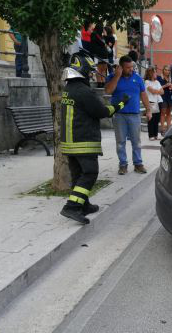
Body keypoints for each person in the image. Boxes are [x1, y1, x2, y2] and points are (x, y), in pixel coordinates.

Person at [59, 50, 129, 224]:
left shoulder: (69, 89)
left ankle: (84, 204)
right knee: (90, 172)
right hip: (83, 141)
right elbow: (102, 112)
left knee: (78, 174)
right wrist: (121, 104)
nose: (91, 74)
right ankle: (72, 207)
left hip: (69, 142)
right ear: (82, 69)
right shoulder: (83, 91)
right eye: (89, 71)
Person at [105, 55, 152, 175]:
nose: (131, 69)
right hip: (119, 115)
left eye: (132, 67)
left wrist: (148, 109)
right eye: (128, 67)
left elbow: (143, 94)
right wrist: (117, 75)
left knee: (136, 141)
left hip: (134, 115)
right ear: (120, 67)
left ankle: (138, 164)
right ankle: (123, 165)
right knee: (120, 142)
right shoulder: (112, 77)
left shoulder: (137, 78)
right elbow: (108, 91)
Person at [144, 67, 163, 141]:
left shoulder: (157, 82)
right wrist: (158, 91)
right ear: (150, 73)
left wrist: (157, 91)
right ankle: (151, 135)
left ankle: (156, 135)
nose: (156, 73)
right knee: (151, 119)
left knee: (156, 119)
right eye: (154, 72)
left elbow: (162, 92)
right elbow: (152, 91)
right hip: (151, 102)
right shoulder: (147, 82)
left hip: (158, 102)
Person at [157, 65, 172, 135]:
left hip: (169, 96)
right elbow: (158, 88)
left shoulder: (170, 78)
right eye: (166, 70)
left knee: (169, 113)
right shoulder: (159, 78)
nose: (167, 71)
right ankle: (162, 129)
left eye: (168, 70)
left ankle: (169, 128)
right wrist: (165, 86)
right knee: (163, 113)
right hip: (162, 97)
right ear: (163, 70)